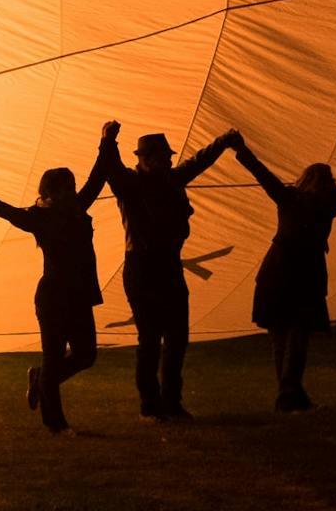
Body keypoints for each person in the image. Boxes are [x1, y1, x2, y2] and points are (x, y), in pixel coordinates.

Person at [0, 124, 112, 435]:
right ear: (50, 194)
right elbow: (11, 213)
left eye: (72, 187)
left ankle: (40, 377)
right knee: (55, 356)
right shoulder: (40, 218)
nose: (71, 193)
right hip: (54, 296)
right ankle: (56, 424)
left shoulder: (77, 209)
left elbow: (97, 179)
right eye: (64, 189)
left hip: (80, 294)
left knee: (86, 355)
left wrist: (106, 142)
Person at [230, 133, 336, 411]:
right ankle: (290, 391)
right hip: (298, 274)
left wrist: (241, 150)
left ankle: (289, 392)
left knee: (283, 335)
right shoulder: (323, 202)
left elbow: (261, 173)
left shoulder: (290, 197)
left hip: (279, 272)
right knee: (294, 333)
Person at [99, 123, 239, 421]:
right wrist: (108, 140)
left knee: (177, 337)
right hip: (143, 267)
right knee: (150, 339)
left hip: (167, 266)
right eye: (164, 157)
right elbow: (111, 167)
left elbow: (199, 161)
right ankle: (150, 405)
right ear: (147, 159)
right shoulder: (130, 184)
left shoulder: (171, 180)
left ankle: (171, 402)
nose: (170, 161)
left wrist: (223, 140)